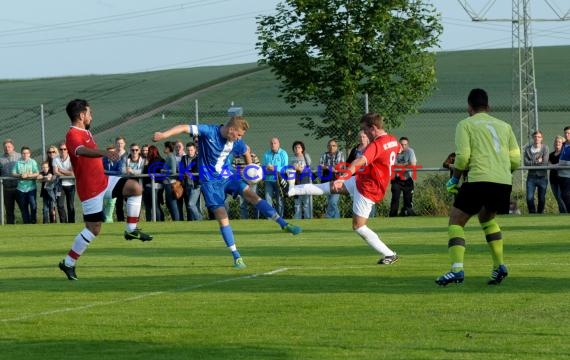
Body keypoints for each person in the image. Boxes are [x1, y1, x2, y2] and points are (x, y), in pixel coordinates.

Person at [152, 116, 301, 269]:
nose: (239, 138)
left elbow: (246, 150)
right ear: (231, 130)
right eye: (239, 135)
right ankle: (236, 256)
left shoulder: (236, 142)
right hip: (210, 183)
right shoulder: (208, 131)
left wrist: (251, 169)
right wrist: (164, 135)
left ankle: (283, 224)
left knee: (251, 195)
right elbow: (184, 127)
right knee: (222, 216)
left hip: (227, 176)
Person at [58, 99, 152, 281]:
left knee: (135, 187)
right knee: (94, 229)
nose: (91, 116)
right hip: (90, 188)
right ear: (82, 115)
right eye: (89, 113)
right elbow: (80, 150)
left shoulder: (85, 131)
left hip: (103, 180)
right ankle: (68, 263)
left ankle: (131, 229)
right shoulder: (72, 134)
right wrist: (104, 152)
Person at [288, 113, 400, 264]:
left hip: (368, 189)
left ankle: (389, 254)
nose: (363, 133)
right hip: (362, 180)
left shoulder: (375, 145)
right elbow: (397, 151)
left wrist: (342, 178)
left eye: (365, 129)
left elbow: (358, 162)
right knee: (327, 188)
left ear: (373, 128)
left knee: (358, 226)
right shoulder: (393, 140)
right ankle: (293, 190)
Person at [436, 88, 520, 286]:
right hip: (502, 181)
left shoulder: (465, 125)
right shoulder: (505, 126)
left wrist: (454, 180)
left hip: (478, 179)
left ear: (469, 107)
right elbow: (515, 159)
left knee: (456, 221)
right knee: (487, 218)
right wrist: (502, 171)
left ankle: (456, 270)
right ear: (488, 107)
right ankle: (499, 265)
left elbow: (463, 157)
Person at [389, 137, 417, 217]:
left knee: (408, 200)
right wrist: (406, 164)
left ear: (408, 145)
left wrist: (400, 166)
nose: (403, 146)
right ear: (399, 144)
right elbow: (392, 165)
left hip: (407, 179)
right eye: (401, 144)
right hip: (396, 179)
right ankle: (393, 216)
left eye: (405, 144)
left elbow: (413, 164)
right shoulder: (394, 152)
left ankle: (407, 214)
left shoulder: (410, 151)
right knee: (395, 199)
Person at [523, 130, 549, 214]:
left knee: (541, 198)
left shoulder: (545, 148)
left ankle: (540, 213)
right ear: (532, 138)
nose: (537, 138)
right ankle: (532, 213)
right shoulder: (527, 149)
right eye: (535, 137)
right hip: (531, 177)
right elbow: (526, 163)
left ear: (542, 138)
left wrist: (532, 161)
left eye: (539, 137)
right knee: (529, 198)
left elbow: (544, 162)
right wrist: (537, 161)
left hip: (543, 177)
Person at [12, 146, 39, 224]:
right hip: (21, 189)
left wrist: (28, 175)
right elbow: (13, 173)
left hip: (31, 188)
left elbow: (37, 173)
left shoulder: (33, 162)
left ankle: (33, 221)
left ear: (29, 154)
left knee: (33, 205)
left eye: (27, 153)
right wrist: (20, 175)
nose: (25, 155)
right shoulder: (18, 162)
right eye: (23, 153)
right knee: (24, 207)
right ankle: (26, 223)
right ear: (21, 154)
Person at [262, 137, 288, 217]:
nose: (273, 145)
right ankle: (270, 218)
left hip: (279, 180)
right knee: (268, 200)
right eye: (272, 143)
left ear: (278, 144)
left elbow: (285, 167)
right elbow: (263, 167)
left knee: (279, 200)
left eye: (275, 143)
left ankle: (280, 217)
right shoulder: (266, 154)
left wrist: (275, 168)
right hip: (268, 180)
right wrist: (267, 168)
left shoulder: (283, 153)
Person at [231, 150, 261, 219]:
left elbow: (258, 168)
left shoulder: (254, 156)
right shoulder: (237, 157)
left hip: (253, 182)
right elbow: (233, 169)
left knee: (255, 201)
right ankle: (244, 219)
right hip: (242, 182)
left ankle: (256, 219)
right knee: (242, 203)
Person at [319, 139, 345, 218]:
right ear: (327, 147)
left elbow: (340, 166)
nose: (331, 147)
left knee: (333, 201)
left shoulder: (340, 154)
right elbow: (320, 166)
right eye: (329, 145)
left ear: (337, 147)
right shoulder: (324, 155)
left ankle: (331, 216)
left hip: (337, 180)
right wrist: (329, 167)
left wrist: (327, 167)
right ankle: (332, 218)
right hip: (326, 179)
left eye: (333, 145)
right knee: (329, 200)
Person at [53, 141, 76, 223]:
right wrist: (67, 172)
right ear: (59, 150)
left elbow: (73, 173)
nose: (63, 151)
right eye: (61, 149)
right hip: (60, 185)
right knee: (60, 205)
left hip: (71, 184)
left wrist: (61, 171)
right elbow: (55, 172)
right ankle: (64, 223)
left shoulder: (72, 159)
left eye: (65, 149)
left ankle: (71, 223)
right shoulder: (55, 159)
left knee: (70, 205)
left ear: (67, 150)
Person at [0, 139, 21, 224]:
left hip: (19, 187)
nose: (7, 148)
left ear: (13, 147)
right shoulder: (0, 159)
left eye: (9, 147)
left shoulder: (20, 156)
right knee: (9, 210)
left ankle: (28, 226)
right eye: (5, 147)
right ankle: (10, 226)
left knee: (23, 208)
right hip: (6, 188)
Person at [290, 140, 313, 219]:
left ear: (302, 149)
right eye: (295, 147)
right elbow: (289, 169)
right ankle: (297, 218)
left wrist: (301, 169)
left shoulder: (306, 156)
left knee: (306, 202)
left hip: (305, 179)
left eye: (299, 147)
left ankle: (308, 218)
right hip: (296, 181)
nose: (297, 149)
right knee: (297, 202)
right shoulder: (292, 158)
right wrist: (294, 168)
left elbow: (309, 167)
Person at [142, 145, 165, 221]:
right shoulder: (162, 159)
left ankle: (156, 221)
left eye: (148, 151)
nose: (147, 153)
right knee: (156, 205)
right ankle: (160, 220)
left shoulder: (152, 161)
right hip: (158, 186)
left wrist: (145, 165)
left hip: (153, 185)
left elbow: (148, 172)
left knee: (152, 206)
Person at [180, 142, 202, 221]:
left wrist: (188, 173)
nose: (190, 152)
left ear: (195, 150)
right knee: (190, 205)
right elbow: (181, 169)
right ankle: (193, 221)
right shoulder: (184, 158)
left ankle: (199, 220)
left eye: (191, 150)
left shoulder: (198, 159)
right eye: (188, 150)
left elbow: (197, 172)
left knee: (192, 204)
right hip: (187, 185)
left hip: (196, 185)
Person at [548, 135, 566, 213]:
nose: (557, 143)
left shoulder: (564, 154)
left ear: (562, 144)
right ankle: (562, 214)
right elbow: (548, 165)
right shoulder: (551, 155)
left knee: (560, 197)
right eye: (556, 142)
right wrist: (556, 166)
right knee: (557, 198)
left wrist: (554, 166)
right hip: (553, 179)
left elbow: (561, 165)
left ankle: (566, 213)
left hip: (561, 179)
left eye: (559, 142)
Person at [558, 126, 570, 211]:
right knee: (563, 195)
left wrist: (564, 163)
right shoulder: (563, 144)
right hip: (561, 175)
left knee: (566, 195)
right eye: (565, 133)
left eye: (569, 133)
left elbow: (563, 162)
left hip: (569, 175)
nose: (567, 135)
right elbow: (560, 159)